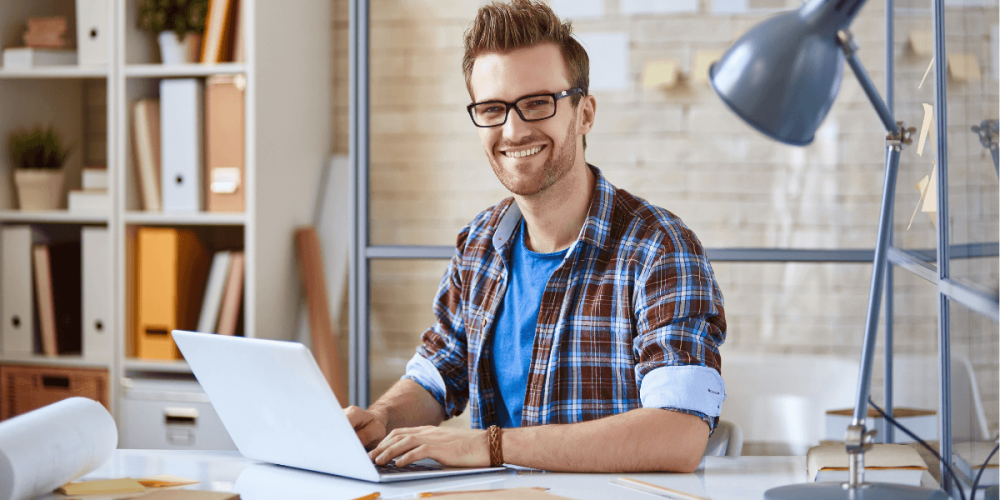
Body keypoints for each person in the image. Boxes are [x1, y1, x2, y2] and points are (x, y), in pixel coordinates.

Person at [346, 0, 727, 473]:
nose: (513, 129)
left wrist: (489, 446)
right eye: (492, 108)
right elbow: (437, 375)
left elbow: (679, 434)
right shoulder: (480, 244)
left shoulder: (659, 249)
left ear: (584, 113)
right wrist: (379, 420)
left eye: (537, 103)